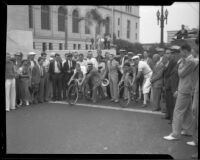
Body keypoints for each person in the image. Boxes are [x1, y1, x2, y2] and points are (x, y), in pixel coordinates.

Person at [163, 44, 198, 141]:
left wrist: (181, 64)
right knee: (187, 112)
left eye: (180, 51)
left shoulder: (190, 61)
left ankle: (175, 134)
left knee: (178, 111)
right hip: (187, 88)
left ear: (185, 51)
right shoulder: (190, 60)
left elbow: (181, 73)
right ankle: (188, 130)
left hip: (184, 89)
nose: (179, 53)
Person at [186, 37, 199, 159]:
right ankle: (195, 140)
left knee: (195, 114)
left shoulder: (195, 60)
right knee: (195, 116)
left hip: (196, 90)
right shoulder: (194, 59)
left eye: (194, 48)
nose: (193, 50)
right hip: (194, 89)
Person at [162, 47, 180, 124]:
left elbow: (171, 75)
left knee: (172, 103)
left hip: (171, 84)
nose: (168, 55)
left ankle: (172, 118)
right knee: (168, 102)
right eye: (167, 53)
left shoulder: (174, 61)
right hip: (167, 84)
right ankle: (169, 115)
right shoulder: (168, 61)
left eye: (170, 53)